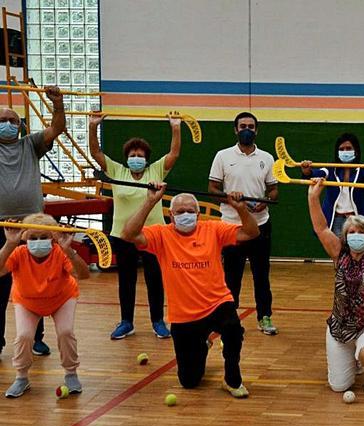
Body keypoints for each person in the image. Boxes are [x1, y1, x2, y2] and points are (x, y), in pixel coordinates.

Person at [122, 183, 258, 398]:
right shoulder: (160, 235)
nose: (186, 215)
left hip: (217, 302)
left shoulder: (213, 229)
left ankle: (232, 379)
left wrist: (240, 208)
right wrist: (150, 200)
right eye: (180, 212)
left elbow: (251, 233)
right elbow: (128, 234)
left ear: (198, 214)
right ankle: (202, 344)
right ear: (171, 215)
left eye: (190, 211)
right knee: (189, 381)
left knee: (233, 329)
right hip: (184, 315)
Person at [89, 114, 181, 340]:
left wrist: (176, 128)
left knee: (154, 279)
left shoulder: (155, 171)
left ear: (147, 159)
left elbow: (174, 153)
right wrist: (92, 127)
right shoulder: (117, 171)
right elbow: (96, 153)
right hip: (123, 235)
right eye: (133, 155)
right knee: (126, 280)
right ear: (126, 158)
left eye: (140, 156)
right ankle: (126, 322)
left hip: (153, 236)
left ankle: (158, 321)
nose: (136, 158)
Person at [307, 178, 364, 393]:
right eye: (352, 232)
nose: (357, 236)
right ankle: (353, 357)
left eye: (361, 232)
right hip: (340, 326)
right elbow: (320, 228)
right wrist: (313, 197)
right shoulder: (339, 254)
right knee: (339, 386)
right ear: (345, 237)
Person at [0, 85, 66, 357]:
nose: (7, 125)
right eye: (2, 121)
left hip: (33, 227)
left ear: (21, 125)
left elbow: (56, 129)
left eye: (12, 121)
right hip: (1, 227)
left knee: (35, 284)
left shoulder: (30, 144)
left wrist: (57, 104)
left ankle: (36, 338)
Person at [1, 214, 90, 398]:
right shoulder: (18, 253)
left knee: (65, 332)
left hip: (61, 298)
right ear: (25, 238)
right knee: (24, 336)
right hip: (27, 301)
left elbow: (84, 274)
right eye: (33, 238)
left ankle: (71, 373)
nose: (38, 242)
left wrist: (70, 251)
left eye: (43, 237)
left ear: (52, 238)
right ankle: (21, 378)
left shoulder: (60, 253)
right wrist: (9, 244)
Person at [208, 112, 279, 335]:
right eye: (242, 126)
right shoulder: (222, 156)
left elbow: (274, 190)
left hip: (260, 225)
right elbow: (212, 188)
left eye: (250, 126)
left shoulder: (267, 158)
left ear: (256, 130)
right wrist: (229, 198)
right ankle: (230, 317)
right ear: (235, 130)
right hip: (231, 227)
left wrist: (265, 202)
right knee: (231, 276)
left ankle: (264, 317)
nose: (246, 129)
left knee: (261, 274)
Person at [301, 133, 364, 237]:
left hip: (357, 218)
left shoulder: (361, 169)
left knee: (359, 249)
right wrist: (307, 171)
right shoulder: (331, 169)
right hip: (337, 219)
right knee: (337, 251)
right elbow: (316, 174)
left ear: (355, 151)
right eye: (341, 149)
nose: (345, 152)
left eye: (348, 148)